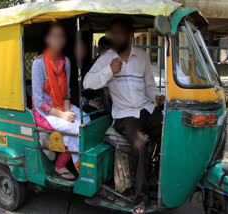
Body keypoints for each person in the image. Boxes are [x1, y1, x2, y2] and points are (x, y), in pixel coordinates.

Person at [83, 17, 164, 214]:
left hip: (145, 109)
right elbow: (87, 83)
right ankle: (140, 199)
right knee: (139, 145)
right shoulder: (106, 59)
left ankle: (160, 177)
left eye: (121, 33)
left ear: (130, 35)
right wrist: (109, 71)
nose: (117, 37)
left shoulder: (142, 56)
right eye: (114, 33)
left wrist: (157, 98)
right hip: (124, 115)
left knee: (168, 133)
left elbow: (150, 87)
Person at [32, 22, 88, 180]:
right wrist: (62, 115)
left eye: (61, 36)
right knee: (75, 128)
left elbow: (67, 93)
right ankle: (69, 166)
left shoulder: (66, 62)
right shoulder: (39, 63)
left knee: (86, 120)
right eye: (55, 36)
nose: (59, 39)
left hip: (61, 105)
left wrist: (66, 109)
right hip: (44, 112)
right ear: (48, 39)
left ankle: (66, 160)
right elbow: (39, 102)